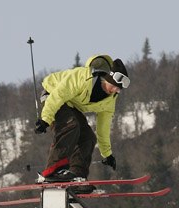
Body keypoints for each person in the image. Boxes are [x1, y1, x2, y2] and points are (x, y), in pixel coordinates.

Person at [34, 54, 130, 183]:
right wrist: (45, 119)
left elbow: (103, 128)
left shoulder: (109, 101)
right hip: (52, 95)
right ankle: (53, 170)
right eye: (114, 86)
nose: (115, 91)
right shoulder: (83, 77)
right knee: (71, 125)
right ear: (107, 79)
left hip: (70, 104)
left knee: (88, 137)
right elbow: (59, 95)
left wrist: (107, 154)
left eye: (118, 90)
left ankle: (77, 176)